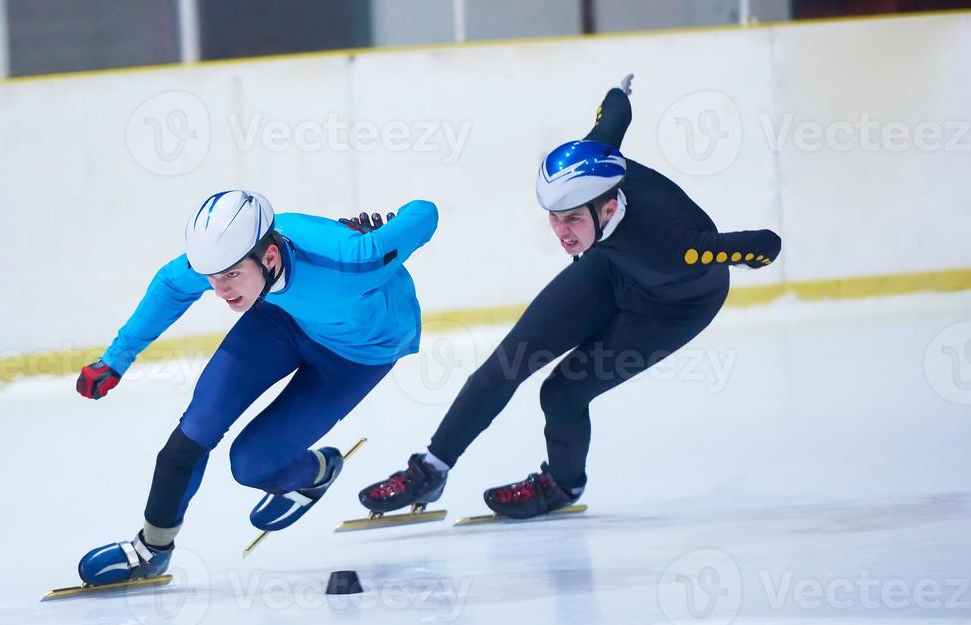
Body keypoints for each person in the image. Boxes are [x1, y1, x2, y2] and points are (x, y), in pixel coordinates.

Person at [358, 75, 781, 520]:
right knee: (507, 362)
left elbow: (766, 243)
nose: (561, 233)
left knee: (562, 393)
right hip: (613, 268)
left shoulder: (677, 248)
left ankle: (562, 484)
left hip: (671, 309)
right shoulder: (597, 163)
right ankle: (432, 468)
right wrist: (621, 91)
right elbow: (613, 117)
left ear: (609, 207)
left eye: (572, 219)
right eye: (554, 218)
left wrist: (748, 257)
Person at [74, 190, 439, 585]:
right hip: (282, 320)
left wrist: (387, 231)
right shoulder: (230, 252)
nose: (220, 290)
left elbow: (426, 213)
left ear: (269, 257)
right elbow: (171, 285)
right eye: (212, 278)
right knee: (193, 432)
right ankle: (151, 549)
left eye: (231, 276)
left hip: (359, 352)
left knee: (250, 465)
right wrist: (115, 359)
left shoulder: (352, 259)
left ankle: (318, 470)